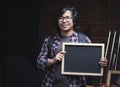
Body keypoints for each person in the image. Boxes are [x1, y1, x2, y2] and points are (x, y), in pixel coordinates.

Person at [37, 6, 108, 87]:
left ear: (74, 21)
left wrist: (101, 63)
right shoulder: (49, 40)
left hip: (76, 84)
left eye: (67, 18)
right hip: (50, 84)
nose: (64, 21)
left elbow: (91, 62)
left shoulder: (83, 40)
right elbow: (39, 62)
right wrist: (53, 60)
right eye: (61, 18)